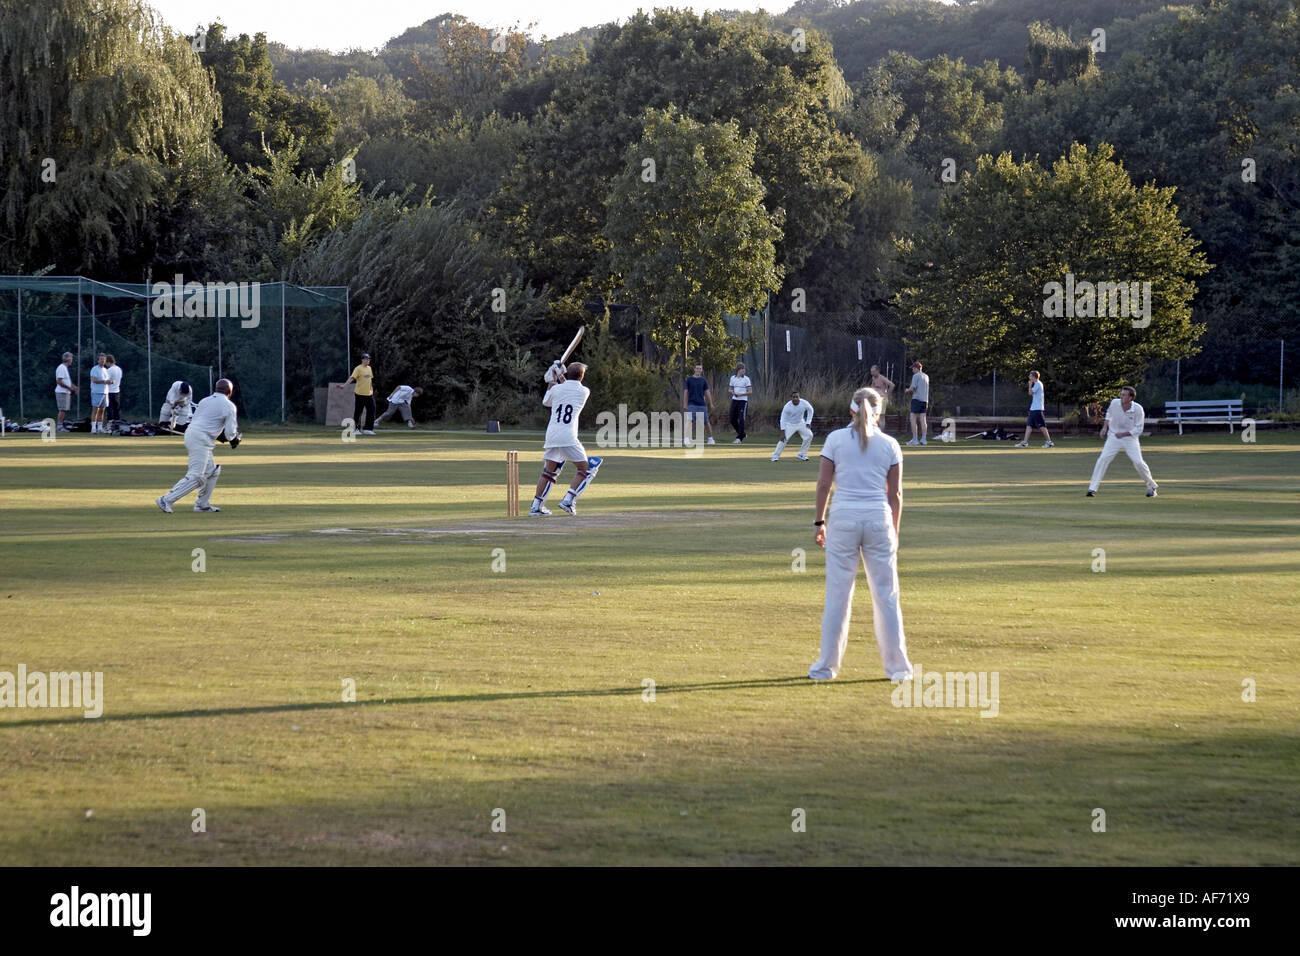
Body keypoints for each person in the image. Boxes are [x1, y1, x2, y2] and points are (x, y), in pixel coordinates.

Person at [809, 387, 912, 682]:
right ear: (878, 412)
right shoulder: (890, 444)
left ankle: (825, 668)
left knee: (838, 596)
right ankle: (899, 669)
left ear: (851, 410)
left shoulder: (835, 440)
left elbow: (823, 485)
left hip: (843, 519)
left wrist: (819, 522)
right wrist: (895, 530)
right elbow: (896, 494)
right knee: (887, 596)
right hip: (878, 519)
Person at [156, 380, 240, 514]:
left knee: (212, 471)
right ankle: (166, 499)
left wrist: (220, 435)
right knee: (197, 475)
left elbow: (205, 422)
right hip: (201, 439)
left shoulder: (205, 401)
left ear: (216, 389)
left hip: (193, 435)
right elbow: (230, 433)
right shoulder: (229, 406)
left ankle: (202, 504)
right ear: (229, 392)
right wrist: (234, 439)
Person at [530, 361, 602, 516]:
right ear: (582, 377)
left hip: (552, 435)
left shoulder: (557, 389)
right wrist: (558, 376)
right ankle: (568, 501)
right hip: (568, 436)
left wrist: (552, 380)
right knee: (587, 469)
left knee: (549, 472)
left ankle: (536, 506)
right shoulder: (584, 391)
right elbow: (569, 387)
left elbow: (546, 401)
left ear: (568, 374)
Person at [1086, 385, 1158, 498]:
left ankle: (1151, 487)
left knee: (1138, 462)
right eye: (1121, 394)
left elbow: (1138, 429)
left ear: (1131, 398)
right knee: (1103, 459)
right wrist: (1104, 428)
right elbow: (1109, 415)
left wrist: (1123, 434)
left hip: (1130, 438)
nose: (1121, 397)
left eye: (1124, 395)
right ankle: (1092, 489)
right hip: (1114, 437)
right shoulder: (1115, 403)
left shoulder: (1138, 409)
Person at [334, 353, 376, 435]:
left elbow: (370, 380)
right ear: (362, 360)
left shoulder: (369, 368)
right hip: (360, 394)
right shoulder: (358, 369)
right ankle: (356, 429)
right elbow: (352, 378)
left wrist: (371, 390)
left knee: (372, 410)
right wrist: (344, 385)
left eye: (369, 359)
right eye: (366, 359)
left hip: (369, 394)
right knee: (358, 411)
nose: (368, 360)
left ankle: (368, 429)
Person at [771, 390, 814, 461]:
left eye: (797, 397)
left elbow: (810, 410)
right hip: (790, 424)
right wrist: (783, 432)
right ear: (791, 398)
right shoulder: (787, 406)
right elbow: (783, 419)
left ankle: (802, 454)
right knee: (784, 439)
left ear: (799, 397)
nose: (795, 398)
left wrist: (808, 421)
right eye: (794, 397)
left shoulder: (804, 403)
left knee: (809, 435)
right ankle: (775, 456)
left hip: (801, 423)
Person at [1015, 371, 1054, 448]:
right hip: (1033, 409)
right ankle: (1025, 442)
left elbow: (1030, 393)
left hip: (1037, 409)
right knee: (1029, 426)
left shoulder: (1038, 384)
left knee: (1042, 426)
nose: (1029, 378)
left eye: (1030, 376)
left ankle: (1049, 442)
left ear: (1034, 377)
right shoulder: (1036, 384)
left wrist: (1030, 385)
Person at [682, 363, 715, 446]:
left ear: (702, 370)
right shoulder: (689, 379)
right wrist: (685, 404)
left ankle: (711, 439)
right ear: (694, 369)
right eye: (697, 368)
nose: (698, 370)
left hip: (702, 405)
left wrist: (711, 403)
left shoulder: (703, 380)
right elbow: (686, 392)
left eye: (700, 369)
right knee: (689, 421)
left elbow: (707, 392)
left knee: (706, 422)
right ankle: (686, 439)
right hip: (691, 404)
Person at [903, 360, 929, 446]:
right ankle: (924, 439)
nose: (912, 370)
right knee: (923, 419)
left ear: (916, 368)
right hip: (925, 400)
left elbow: (912, 388)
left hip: (916, 399)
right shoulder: (926, 376)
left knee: (912, 418)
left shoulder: (916, 376)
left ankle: (915, 440)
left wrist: (907, 390)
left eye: (913, 368)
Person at [727, 362, 752, 443]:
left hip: (743, 401)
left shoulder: (746, 379)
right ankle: (742, 434)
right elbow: (730, 389)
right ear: (738, 370)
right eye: (742, 369)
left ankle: (739, 438)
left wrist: (741, 394)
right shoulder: (732, 378)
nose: (743, 371)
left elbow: (750, 391)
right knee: (732, 419)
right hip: (734, 400)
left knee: (741, 419)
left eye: (744, 369)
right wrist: (733, 392)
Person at [53, 352, 79, 430]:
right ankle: (59, 426)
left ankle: (60, 425)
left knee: (64, 409)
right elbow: (59, 381)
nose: (72, 360)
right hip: (61, 392)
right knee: (62, 409)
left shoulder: (65, 368)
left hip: (65, 392)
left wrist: (75, 388)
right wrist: (68, 388)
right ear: (68, 359)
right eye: (71, 359)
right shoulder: (61, 368)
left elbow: (68, 382)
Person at [89, 353, 112, 434]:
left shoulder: (106, 370)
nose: (102, 361)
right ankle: (93, 428)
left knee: (102, 410)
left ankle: (99, 428)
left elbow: (107, 380)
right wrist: (105, 381)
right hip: (96, 392)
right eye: (101, 359)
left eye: (104, 359)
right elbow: (94, 380)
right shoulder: (94, 369)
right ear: (98, 360)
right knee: (95, 410)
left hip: (105, 392)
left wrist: (110, 382)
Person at [869, 364, 894, 433]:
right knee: (874, 415)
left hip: (882, 399)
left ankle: (881, 433)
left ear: (877, 371)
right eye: (871, 372)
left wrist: (887, 395)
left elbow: (892, 385)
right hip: (875, 399)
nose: (872, 373)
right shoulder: (873, 378)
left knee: (881, 416)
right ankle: (875, 431)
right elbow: (872, 386)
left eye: (873, 372)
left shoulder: (882, 378)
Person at [104, 355, 122, 423]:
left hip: (109, 392)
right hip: (117, 392)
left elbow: (106, 381)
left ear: (108, 362)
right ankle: (117, 425)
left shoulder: (109, 370)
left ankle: (110, 425)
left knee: (110, 409)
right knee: (116, 409)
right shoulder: (119, 369)